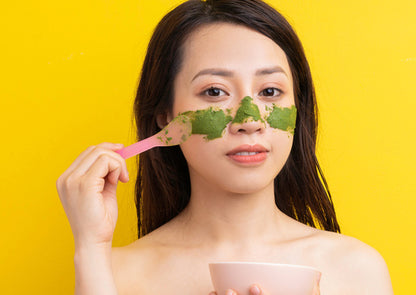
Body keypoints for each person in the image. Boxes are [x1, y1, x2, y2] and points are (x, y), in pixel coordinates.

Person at [56, 0, 393, 294]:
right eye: (215, 92)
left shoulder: (357, 269)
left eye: (270, 92)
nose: (250, 119)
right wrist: (90, 247)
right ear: (165, 115)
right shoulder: (114, 273)